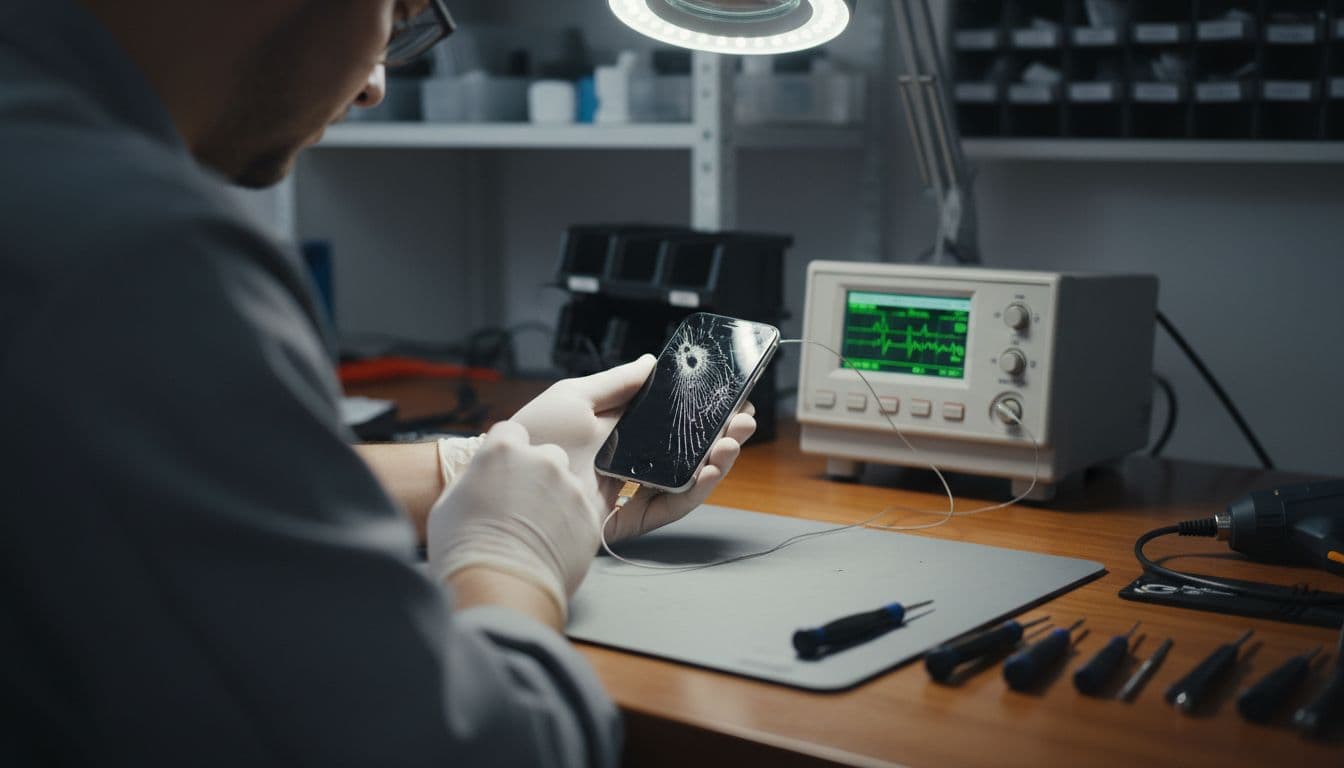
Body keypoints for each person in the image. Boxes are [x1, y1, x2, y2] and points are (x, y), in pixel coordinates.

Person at [0, 1, 756, 765]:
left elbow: (145, 482)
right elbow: (482, 750)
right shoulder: (134, 250)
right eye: (397, 12)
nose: (375, 89)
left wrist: (465, 466)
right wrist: (510, 560)